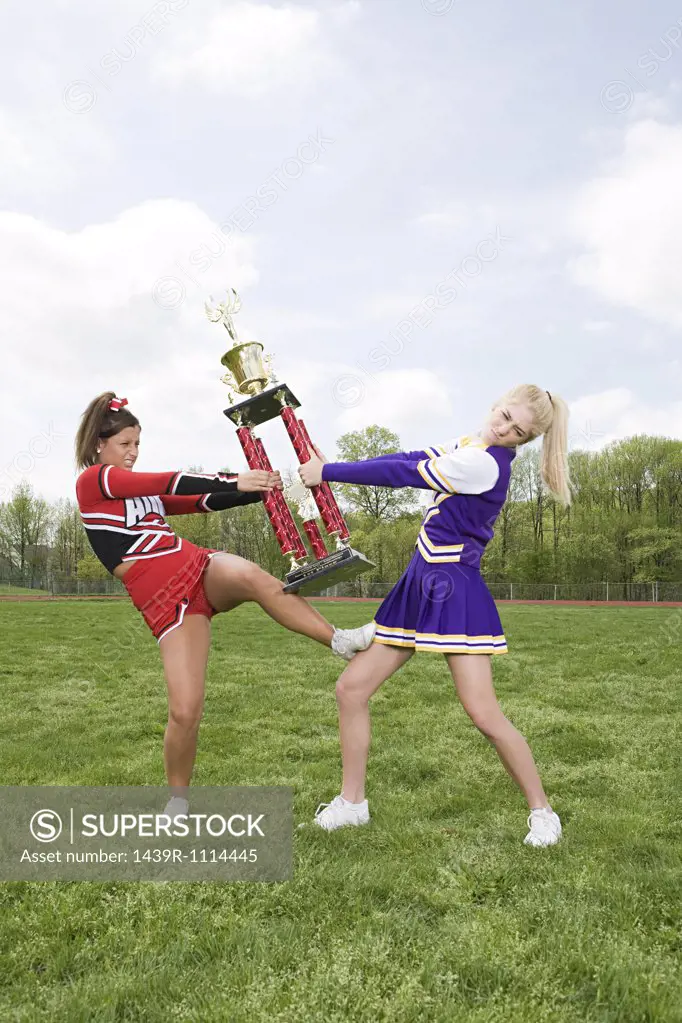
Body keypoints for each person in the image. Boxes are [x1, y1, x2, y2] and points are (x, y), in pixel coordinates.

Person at [74, 392, 374, 816]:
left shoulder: (137, 491)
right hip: (167, 603)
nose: (133, 453)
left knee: (254, 577)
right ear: (99, 444)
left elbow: (200, 501)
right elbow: (168, 482)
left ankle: (339, 639)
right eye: (125, 444)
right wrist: (234, 480)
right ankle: (178, 801)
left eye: (137, 444)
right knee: (185, 712)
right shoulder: (94, 481)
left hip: (197, 568)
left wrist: (261, 487)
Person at [298, 384, 571, 847]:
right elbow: (407, 454)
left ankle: (544, 813)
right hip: (420, 582)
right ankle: (352, 804)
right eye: (504, 415)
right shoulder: (472, 443)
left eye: (516, 430)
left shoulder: (485, 463)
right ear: (495, 402)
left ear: (523, 441)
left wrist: (330, 472)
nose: (503, 428)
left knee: (483, 713)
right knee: (351, 689)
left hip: (453, 591)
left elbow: (404, 473)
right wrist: (333, 468)